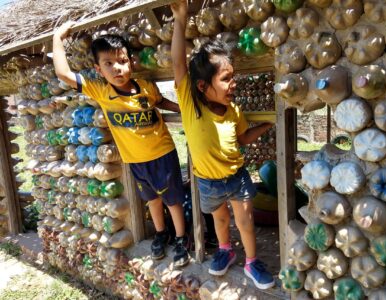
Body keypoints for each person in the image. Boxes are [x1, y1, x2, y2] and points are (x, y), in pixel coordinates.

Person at [53, 22, 189, 268]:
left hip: (163, 153)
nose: (117, 68)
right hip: (135, 160)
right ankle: (161, 233)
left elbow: (160, 103)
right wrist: (57, 39)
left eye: (123, 61)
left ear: (131, 62)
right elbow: (63, 74)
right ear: (98, 68)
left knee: (172, 199)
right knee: (152, 199)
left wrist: (182, 109)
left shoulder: (146, 87)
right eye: (109, 64)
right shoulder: (101, 91)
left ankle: (181, 238)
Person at [171, 1, 275, 290]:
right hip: (207, 182)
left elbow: (242, 139)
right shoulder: (191, 106)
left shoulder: (234, 112)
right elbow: (178, 65)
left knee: (246, 221)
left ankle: (252, 262)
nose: (233, 84)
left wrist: (264, 127)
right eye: (226, 78)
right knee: (220, 220)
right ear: (203, 86)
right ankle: (226, 250)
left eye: (234, 77)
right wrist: (180, 20)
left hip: (237, 178)